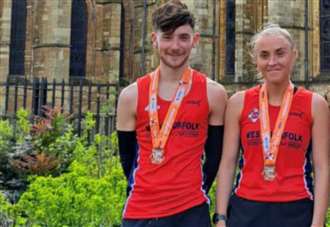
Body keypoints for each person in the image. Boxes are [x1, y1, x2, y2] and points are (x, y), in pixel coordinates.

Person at [116, 1, 227, 226]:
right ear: (154, 40)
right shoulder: (131, 96)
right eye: (167, 37)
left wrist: (190, 192)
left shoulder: (213, 93)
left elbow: (215, 157)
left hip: (191, 212)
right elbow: (127, 160)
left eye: (183, 37)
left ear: (195, 40)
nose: (175, 46)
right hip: (141, 212)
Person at [214, 24, 329, 227]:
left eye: (280, 53)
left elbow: (322, 166)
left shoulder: (315, 104)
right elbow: (228, 162)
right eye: (264, 55)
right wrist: (221, 217)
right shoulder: (238, 102)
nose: (272, 62)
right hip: (246, 210)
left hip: (296, 209)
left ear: (294, 55)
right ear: (255, 60)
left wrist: (318, 223)